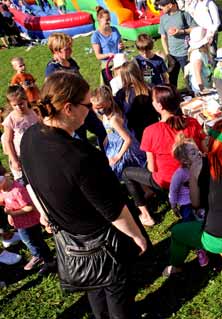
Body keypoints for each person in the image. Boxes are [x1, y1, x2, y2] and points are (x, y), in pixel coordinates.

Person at [20, 71, 148, 319]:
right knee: (116, 287)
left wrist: (45, 212)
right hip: (99, 238)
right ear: (68, 108)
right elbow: (112, 209)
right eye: (87, 105)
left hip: (69, 234)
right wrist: (137, 235)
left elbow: (30, 179)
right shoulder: (80, 155)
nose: (91, 110)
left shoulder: (29, 137)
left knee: (93, 282)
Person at [162, 119, 222, 276]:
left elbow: (195, 204)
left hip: (219, 240)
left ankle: (176, 266)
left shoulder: (200, 165)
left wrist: (193, 179)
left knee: (177, 231)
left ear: (212, 139)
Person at [122, 85, 207, 227]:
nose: (151, 102)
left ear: (160, 106)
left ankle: (146, 215)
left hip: (166, 180)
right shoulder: (192, 122)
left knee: (126, 173)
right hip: (195, 175)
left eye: (153, 100)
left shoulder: (151, 131)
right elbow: (204, 150)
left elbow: (152, 168)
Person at [45, 32, 107, 152]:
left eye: (70, 47)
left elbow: (80, 79)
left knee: (101, 130)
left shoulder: (71, 61)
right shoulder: (52, 69)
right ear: (56, 51)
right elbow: (51, 92)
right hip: (71, 111)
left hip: (84, 105)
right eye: (66, 49)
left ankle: (106, 156)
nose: (70, 51)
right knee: (80, 139)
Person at [0, 174, 55, 273]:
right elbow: (7, 204)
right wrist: (10, 215)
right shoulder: (4, 190)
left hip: (30, 222)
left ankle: (48, 260)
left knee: (36, 241)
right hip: (20, 223)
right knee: (28, 240)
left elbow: (29, 207)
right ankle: (39, 256)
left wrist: (13, 213)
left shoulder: (17, 191)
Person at [90, 86, 146, 179]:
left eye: (100, 107)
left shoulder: (113, 119)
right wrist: (107, 138)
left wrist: (118, 157)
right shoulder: (104, 116)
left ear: (109, 102)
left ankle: (146, 189)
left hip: (124, 148)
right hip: (113, 146)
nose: (98, 110)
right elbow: (111, 131)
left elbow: (128, 139)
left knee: (125, 168)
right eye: (95, 107)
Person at [1, 85, 38, 181]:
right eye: (14, 105)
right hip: (20, 157)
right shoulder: (10, 120)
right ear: (10, 104)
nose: (18, 107)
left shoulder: (34, 113)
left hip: (36, 152)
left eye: (21, 103)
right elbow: (8, 141)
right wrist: (14, 160)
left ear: (26, 99)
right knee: (25, 181)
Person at [115, 61, 158, 142]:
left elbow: (120, 115)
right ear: (138, 72)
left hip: (135, 135)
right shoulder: (151, 87)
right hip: (153, 129)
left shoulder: (121, 94)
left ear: (123, 77)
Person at [157, 0, 197, 87]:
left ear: (170, 5)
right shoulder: (163, 19)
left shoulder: (184, 15)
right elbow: (163, 38)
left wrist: (182, 31)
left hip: (185, 53)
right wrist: (168, 55)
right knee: (172, 80)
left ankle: (194, 95)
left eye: (162, 6)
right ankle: (174, 97)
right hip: (172, 55)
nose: (160, 8)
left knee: (191, 78)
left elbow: (195, 28)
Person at [169, 134, 198, 221]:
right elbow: (173, 190)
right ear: (185, 160)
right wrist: (173, 206)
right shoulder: (180, 174)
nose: (198, 153)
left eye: (197, 150)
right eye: (194, 153)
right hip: (187, 202)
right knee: (188, 217)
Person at [91, 6, 124, 84]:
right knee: (110, 87)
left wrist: (122, 46)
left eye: (109, 19)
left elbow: (121, 45)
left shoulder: (115, 30)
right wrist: (108, 55)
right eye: (107, 20)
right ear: (99, 20)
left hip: (119, 62)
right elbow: (98, 56)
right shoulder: (96, 36)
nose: (109, 21)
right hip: (107, 65)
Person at [186, 27, 213, 94]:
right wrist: (202, 89)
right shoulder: (198, 55)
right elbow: (197, 73)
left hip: (207, 83)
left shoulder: (203, 51)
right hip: (201, 88)